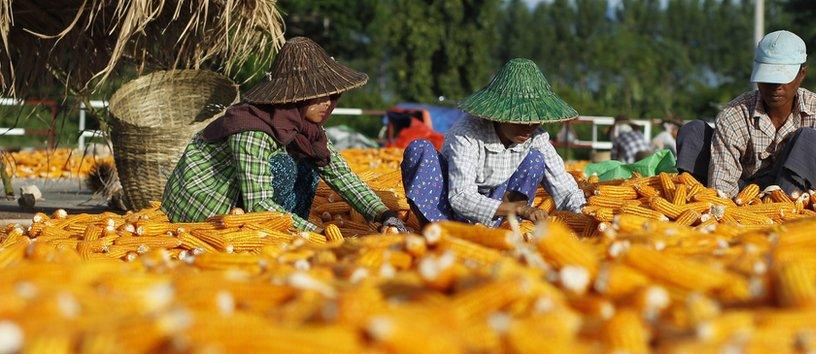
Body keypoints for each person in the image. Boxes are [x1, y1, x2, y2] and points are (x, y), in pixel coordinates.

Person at [162, 37, 407, 233]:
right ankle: (288, 229)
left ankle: (289, 227)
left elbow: (341, 174)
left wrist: (384, 215)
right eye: (318, 95)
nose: (328, 102)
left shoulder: (307, 130)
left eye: (331, 94)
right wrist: (316, 233)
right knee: (284, 165)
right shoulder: (251, 130)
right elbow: (259, 203)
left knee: (313, 162)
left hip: (249, 203)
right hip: (206, 207)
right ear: (297, 98)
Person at [675, 30, 816, 202]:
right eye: (768, 78)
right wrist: (728, 212)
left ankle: (790, 217)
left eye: (782, 78)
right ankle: (690, 204)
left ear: (802, 74)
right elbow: (721, 187)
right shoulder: (733, 116)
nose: (775, 87)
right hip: (741, 197)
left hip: (793, 197)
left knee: (810, 139)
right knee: (693, 131)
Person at [399, 58, 586, 227]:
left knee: (536, 159)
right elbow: (460, 196)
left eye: (534, 119)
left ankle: (503, 228)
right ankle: (435, 227)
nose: (529, 126)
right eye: (520, 119)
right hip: (448, 205)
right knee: (419, 149)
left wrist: (586, 214)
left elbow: (564, 186)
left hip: (498, 211)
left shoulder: (535, 136)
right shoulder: (467, 133)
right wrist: (519, 209)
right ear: (500, 115)